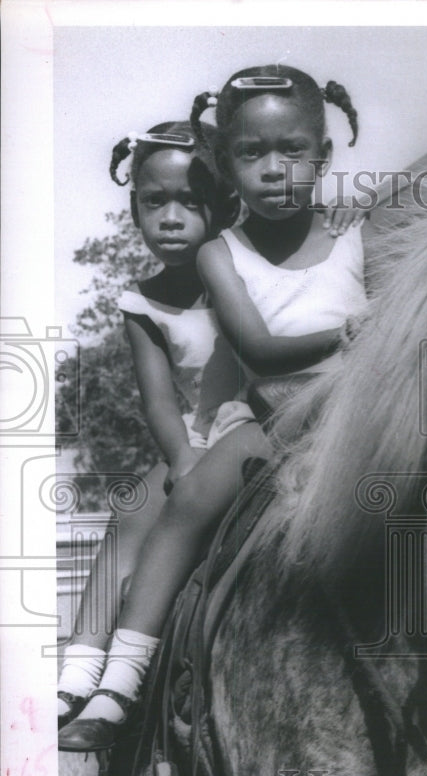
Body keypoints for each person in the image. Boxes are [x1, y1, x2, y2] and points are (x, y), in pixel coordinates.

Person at [59, 65, 370, 752]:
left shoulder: (360, 237)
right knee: (184, 497)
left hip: (359, 421)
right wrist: (348, 334)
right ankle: (116, 680)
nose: (273, 169)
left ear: (322, 157)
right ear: (228, 167)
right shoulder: (218, 254)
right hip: (275, 419)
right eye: (251, 154)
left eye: (292, 151)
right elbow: (256, 353)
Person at [57, 121, 246, 730]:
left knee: (185, 504)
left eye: (191, 203)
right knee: (134, 504)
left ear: (226, 205)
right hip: (192, 438)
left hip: (251, 429)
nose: (170, 218)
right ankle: (81, 665)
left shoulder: (248, 276)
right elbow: (159, 400)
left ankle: (125, 674)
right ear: (134, 205)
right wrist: (181, 455)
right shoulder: (142, 301)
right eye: (153, 202)